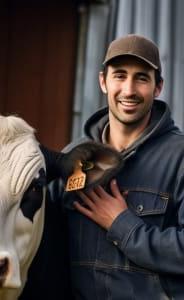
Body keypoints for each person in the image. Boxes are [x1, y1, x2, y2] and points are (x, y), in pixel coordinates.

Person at [50, 34, 184, 299]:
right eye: (120, 75)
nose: (129, 90)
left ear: (158, 87)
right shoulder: (74, 157)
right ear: (104, 82)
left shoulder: (179, 158)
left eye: (142, 78)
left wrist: (122, 225)